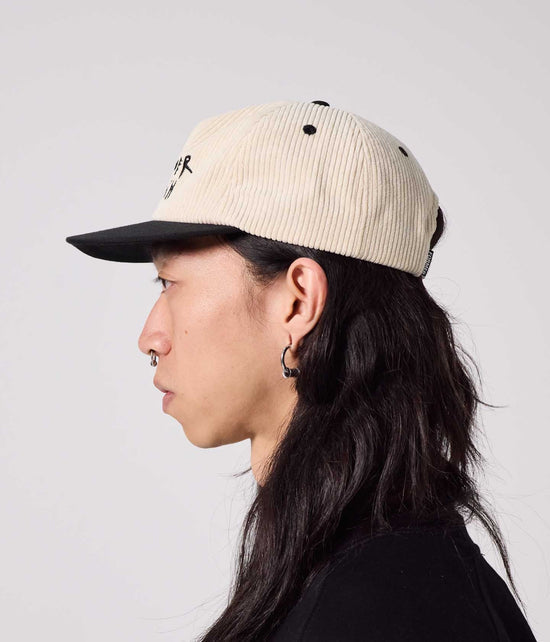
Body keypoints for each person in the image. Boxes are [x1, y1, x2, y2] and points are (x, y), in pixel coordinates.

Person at [65, 100, 538, 641]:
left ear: (297, 302)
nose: (150, 337)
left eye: (170, 283)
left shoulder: (373, 609)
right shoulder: (384, 575)